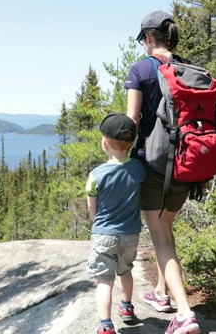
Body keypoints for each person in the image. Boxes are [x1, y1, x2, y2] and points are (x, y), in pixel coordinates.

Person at [125, 10, 201, 334]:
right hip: (186, 164)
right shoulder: (188, 69)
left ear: (150, 38)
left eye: (143, 39)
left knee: (159, 237)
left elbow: (131, 124)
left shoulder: (141, 69)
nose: (143, 44)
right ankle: (160, 292)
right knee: (166, 229)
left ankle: (184, 314)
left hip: (154, 164)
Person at [86, 113, 147, 334]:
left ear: (104, 143)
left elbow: (92, 208)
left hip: (104, 233)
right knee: (125, 271)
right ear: (131, 144)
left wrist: (98, 224)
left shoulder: (96, 175)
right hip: (130, 234)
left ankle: (105, 325)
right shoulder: (139, 169)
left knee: (104, 280)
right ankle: (127, 308)